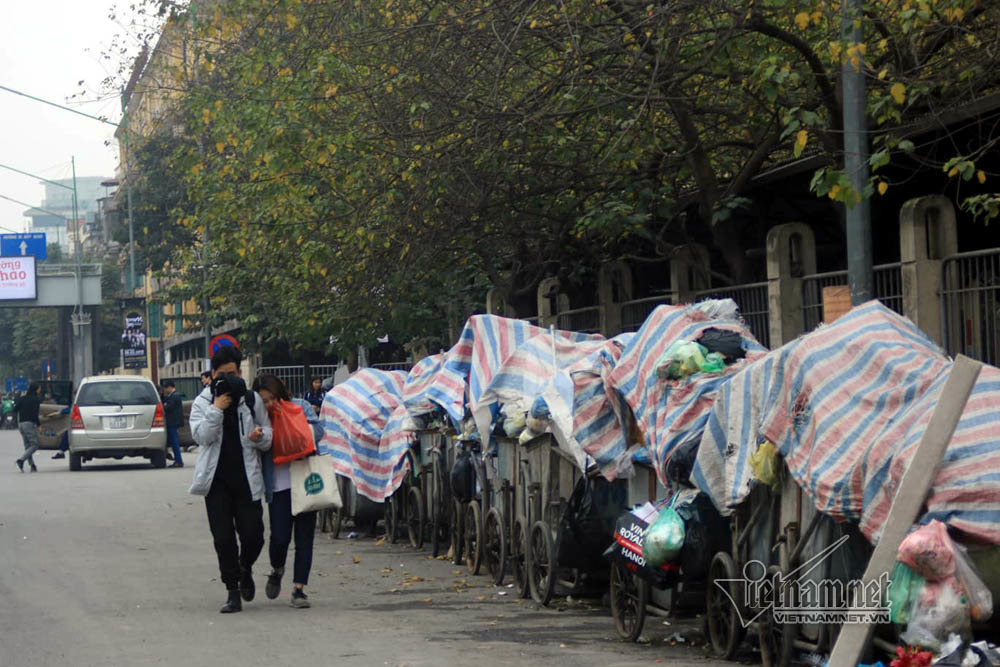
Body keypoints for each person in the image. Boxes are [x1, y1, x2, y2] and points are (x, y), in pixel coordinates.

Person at [189, 346, 272, 613]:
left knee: (255, 535)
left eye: (234, 373)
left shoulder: (250, 400)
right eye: (223, 375)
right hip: (216, 483)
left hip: (247, 479)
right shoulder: (202, 402)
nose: (229, 379)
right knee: (223, 539)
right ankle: (232, 591)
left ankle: (244, 566)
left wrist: (261, 437)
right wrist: (216, 409)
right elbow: (201, 437)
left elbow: (268, 434)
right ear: (213, 374)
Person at [253, 374, 322, 609]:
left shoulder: (299, 407)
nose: (268, 404)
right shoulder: (259, 419)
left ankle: (299, 589)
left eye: (271, 398)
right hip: (279, 485)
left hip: (305, 481)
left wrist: (297, 429)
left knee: (305, 538)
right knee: (280, 537)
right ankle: (277, 568)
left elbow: (319, 432)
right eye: (263, 400)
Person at [14, 383, 43, 473]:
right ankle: (21, 460)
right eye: (39, 389)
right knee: (34, 445)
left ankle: (32, 465)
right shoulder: (36, 400)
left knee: (27, 446)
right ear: (36, 390)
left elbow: (15, 409)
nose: (40, 390)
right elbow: (35, 414)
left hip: (21, 424)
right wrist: (39, 425)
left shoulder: (23, 398)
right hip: (29, 424)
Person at [161, 380, 184, 468]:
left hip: (173, 422)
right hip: (172, 422)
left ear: (170, 387)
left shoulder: (175, 396)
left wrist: (165, 405)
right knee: (170, 441)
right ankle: (171, 456)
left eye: (166, 388)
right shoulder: (172, 396)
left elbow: (167, 407)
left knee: (174, 442)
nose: (166, 390)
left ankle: (178, 461)